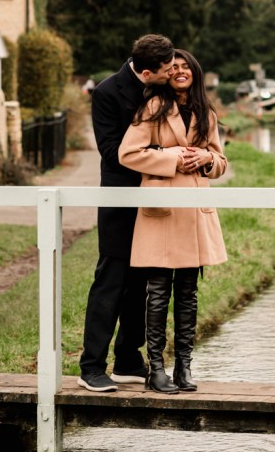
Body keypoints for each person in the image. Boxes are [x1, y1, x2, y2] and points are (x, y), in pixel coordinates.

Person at [118, 49, 228, 394]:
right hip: (163, 211)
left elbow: (221, 162)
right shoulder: (153, 109)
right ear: (166, 74)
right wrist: (173, 158)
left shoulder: (205, 112)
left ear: (195, 72)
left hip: (194, 211)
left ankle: (184, 367)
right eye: (174, 67)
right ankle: (156, 368)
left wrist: (207, 157)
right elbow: (128, 153)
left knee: (188, 292)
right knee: (158, 291)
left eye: (185, 67)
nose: (180, 71)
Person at [77, 33, 175, 392]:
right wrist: (162, 155)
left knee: (142, 284)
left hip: (156, 199)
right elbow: (109, 150)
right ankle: (91, 367)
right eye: (166, 69)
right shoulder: (106, 93)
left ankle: (128, 359)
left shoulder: (164, 90)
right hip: (121, 200)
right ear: (147, 72)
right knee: (111, 282)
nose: (172, 72)